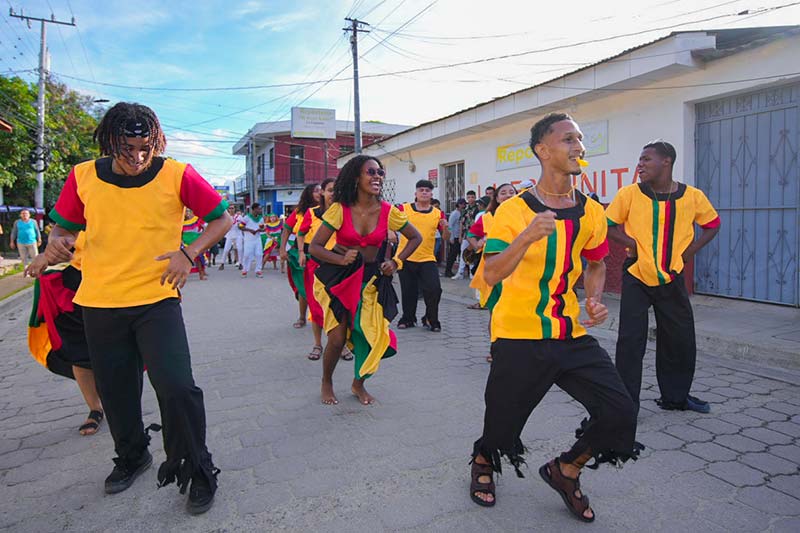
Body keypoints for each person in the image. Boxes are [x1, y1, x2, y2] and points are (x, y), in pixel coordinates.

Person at [45, 102, 232, 515]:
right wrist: (57, 242)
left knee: (178, 386)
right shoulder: (83, 176)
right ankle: (132, 455)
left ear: (156, 141)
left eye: (144, 146)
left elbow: (221, 219)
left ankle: (198, 469)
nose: (136, 156)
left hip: (156, 299)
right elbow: (63, 228)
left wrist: (190, 252)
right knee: (116, 390)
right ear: (109, 141)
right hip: (98, 301)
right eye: (126, 147)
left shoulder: (176, 174)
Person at [469, 113, 640, 522]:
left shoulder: (592, 212)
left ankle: (566, 470)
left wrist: (595, 299)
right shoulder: (512, 212)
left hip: (569, 332)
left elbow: (596, 263)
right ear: (543, 151)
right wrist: (526, 236)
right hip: (519, 332)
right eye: (568, 139)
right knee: (502, 426)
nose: (579, 146)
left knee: (620, 410)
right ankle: (483, 461)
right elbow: (491, 273)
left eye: (580, 139)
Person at [606, 140, 721, 416]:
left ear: (666, 161)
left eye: (646, 159)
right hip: (637, 275)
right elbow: (607, 225)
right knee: (631, 341)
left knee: (680, 338)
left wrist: (687, 253)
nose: (640, 165)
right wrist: (632, 244)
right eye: (640, 159)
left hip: (672, 276)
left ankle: (676, 397)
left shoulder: (692, 196)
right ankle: (626, 406)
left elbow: (712, 224)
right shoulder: (629, 194)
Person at [310, 155, 421, 406]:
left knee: (371, 337)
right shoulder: (340, 209)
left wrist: (396, 262)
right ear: (355, 177)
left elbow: (415, 238)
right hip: (339, 280)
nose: (377, 177)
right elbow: (315, 247)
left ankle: (358, 384)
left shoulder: (389, 212)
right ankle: (326, 381)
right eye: (370, 172)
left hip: (370, 281)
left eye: (380, 173)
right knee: (337, 338)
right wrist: (340, 259)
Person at [26, 234, 104, 436]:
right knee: (78, 350)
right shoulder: (75, 203)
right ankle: (95, 408)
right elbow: (61, 234)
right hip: (70, 280)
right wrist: (47, 254)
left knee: (119, 346)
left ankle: (120, 403)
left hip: (114, 275)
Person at [298, 178, 352, 361]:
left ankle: (342, 345)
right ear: (322, 192)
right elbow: (301, 233)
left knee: (340, 307)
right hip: (316, 267)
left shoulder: (346, 213)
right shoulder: (312, 213)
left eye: (337, 190)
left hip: (340, 268)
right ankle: (318, 344)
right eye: (330, 190)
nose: (333, 194)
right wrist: (301, 253)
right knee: (316, 307)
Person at [467, 183, 517, 361]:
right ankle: (495, 349)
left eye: (512, 192)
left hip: (519, 273)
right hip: (493, 272)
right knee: (496, 312)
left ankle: (516, 350)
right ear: (496, 198)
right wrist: (478, 244)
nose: (508, 195)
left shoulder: (525, 216)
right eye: (503, 193)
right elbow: (471, 235)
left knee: (517, 313)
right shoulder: (487, 217)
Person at [396, 179, 448, 332]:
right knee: (408, 291)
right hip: (405, 256)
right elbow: (389, 222)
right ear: (416, 193)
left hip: (427, 258)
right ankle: (408, 318)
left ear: (431, 194)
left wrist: (446, 228)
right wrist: (391, 232)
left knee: (434, 289)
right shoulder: (403, 209)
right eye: (421, 190)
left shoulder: (438, 213)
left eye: (427, 190)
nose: (424, 192)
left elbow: (445, 238)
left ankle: (431, 319)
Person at [280, 184, 320, 328]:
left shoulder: (329, 209)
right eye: (316, 190)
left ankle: (322, 318)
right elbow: (287, 230)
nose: (319, 193)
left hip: (322, 254)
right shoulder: (299, 212)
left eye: (321, 190)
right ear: (309, 193)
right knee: (303, 287)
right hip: (301, 253)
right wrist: (282, 249)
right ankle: (302, 317)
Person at [452, 191, 479, 279]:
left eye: (472, 197)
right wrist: (460, 235)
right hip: (465, 235)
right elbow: (461, 223)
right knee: (463, 253)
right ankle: (460, 273)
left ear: (475, 197)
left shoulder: (477, 209)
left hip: (474, 236)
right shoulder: (465, 210)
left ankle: (472, 273)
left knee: (472, 254)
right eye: (469, 197)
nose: (470, 199)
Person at [240, 203, 265, 278]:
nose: (260, 210)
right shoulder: (247, 217)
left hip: (257, 239)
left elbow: (262, 228)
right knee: (247, 254)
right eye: (259, 209)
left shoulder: (261, 218)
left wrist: (260, 230)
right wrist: (250, 230)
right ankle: (245, 270)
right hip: (248, 239)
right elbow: (240, 227)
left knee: (259, 254)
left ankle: (258, 270)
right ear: (254, 209)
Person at [182, 209, 208, 280]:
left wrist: (203, 236)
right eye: (186, 211)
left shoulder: (197, 220)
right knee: (186, 261)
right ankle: (184, 276)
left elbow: (205, 226)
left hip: (196, 243)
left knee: (199, 259)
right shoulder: (181, 222)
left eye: (188, 211)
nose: (187, 213)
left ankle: (201, 275)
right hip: (185, 243)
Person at [444, 198, 466, 277]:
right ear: (459, 204)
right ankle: (448, 271)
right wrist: (451, 237)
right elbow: (450, 225)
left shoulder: (462, 213)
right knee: (452, 255)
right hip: (455, 237)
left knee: (462, 254)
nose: (463, 205)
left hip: (460, 236)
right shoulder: (455, 214)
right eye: (462, 204)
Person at [218, 205, 239, 270]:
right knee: (226, 249)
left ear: (235, 209)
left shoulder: (238, 217)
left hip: (237, 235)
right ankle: (222, 263)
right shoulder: (226, 217)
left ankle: (240, 262)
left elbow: (243, 224)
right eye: (230, 208)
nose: (231, 209)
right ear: (228, 210)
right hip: (229, 235)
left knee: (239, 249)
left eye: (232, 208)